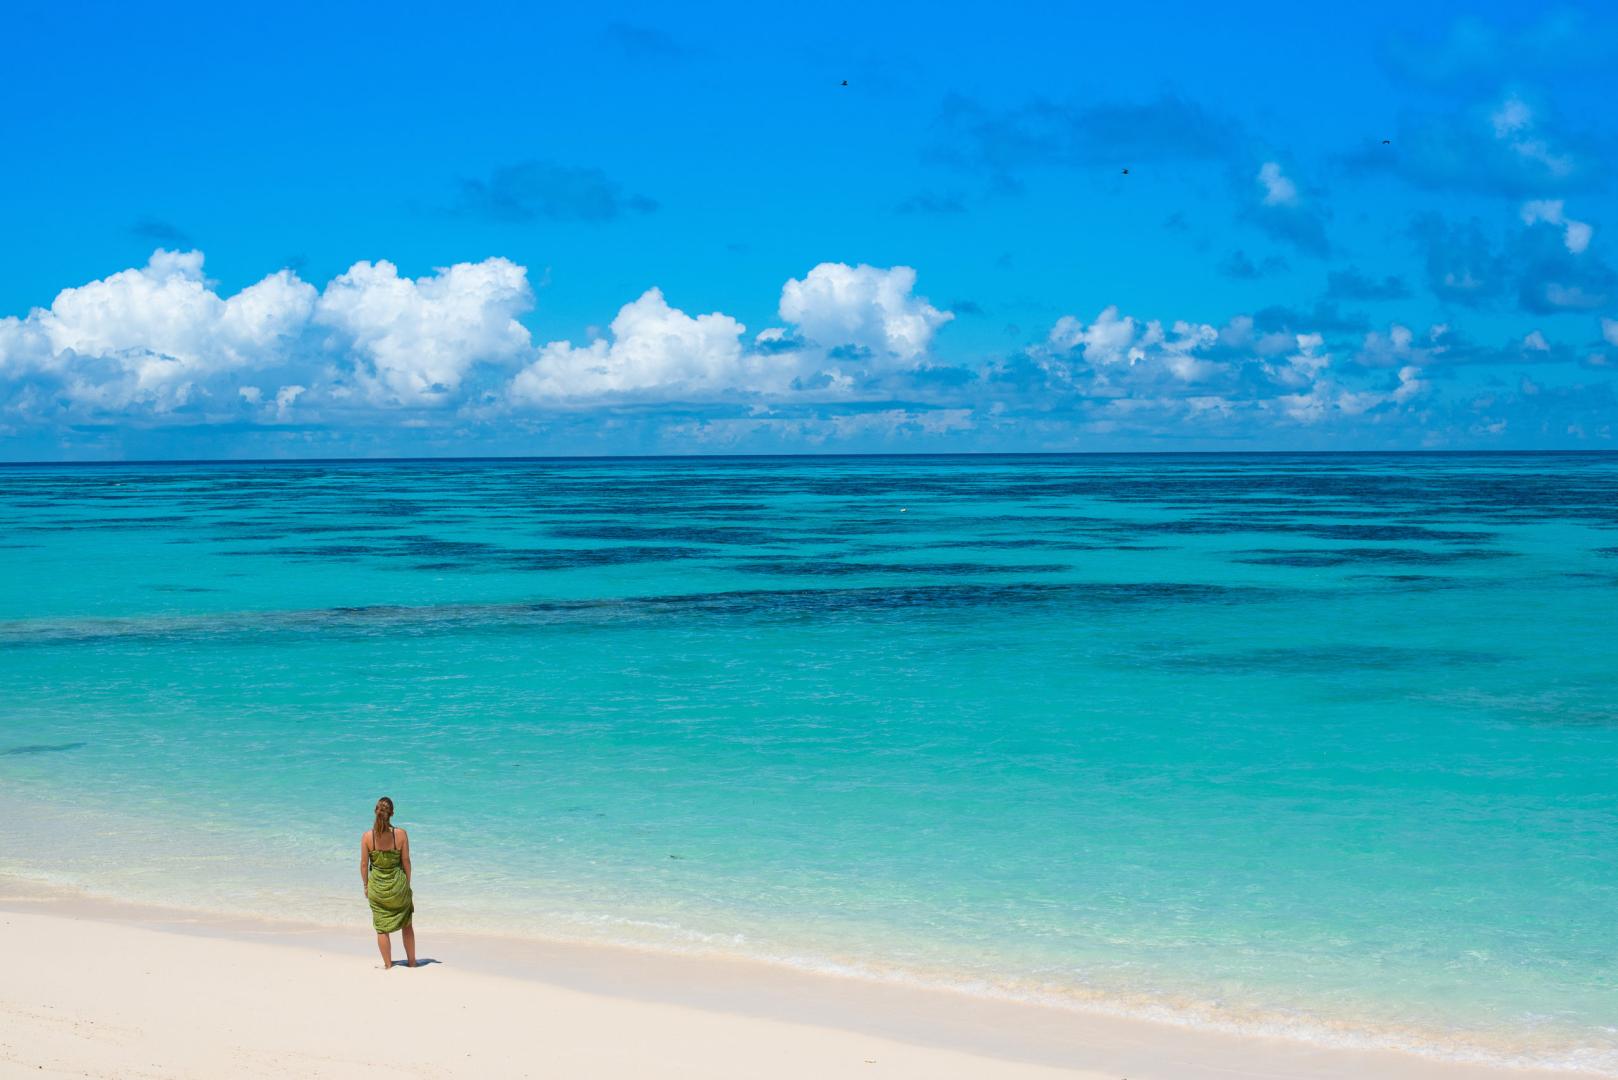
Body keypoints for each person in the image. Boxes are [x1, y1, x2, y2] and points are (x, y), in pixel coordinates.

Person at [361, 796, 416, 968]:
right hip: (398, 887)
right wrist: (406, 885)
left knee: (381, 928)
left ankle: (388, 965)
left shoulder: (367, 837)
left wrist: (366, 886)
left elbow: (364, 865)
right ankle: (412, 963)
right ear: (392, 813)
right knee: (407, 924)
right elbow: (406, 861)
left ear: (375, 812)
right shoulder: (401, 834)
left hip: (377, 889)